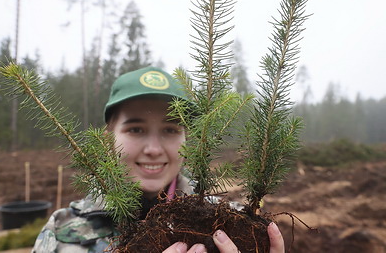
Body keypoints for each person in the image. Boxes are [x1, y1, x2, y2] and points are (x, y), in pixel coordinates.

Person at [32, 66, 285, 253]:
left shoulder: (229, 222)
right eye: (136, 129)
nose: (153, 149)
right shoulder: (62, 233)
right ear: (108, 138)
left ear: (188, 139)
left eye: (170, 130)